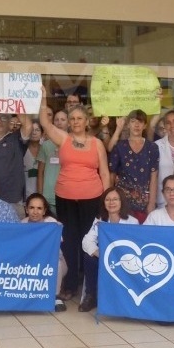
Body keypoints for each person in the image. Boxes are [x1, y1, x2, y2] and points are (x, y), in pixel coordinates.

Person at [40, 97, 110, 301]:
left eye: (80, 118)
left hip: (92, 198)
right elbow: (45, 123)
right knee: (69, 242)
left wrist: (105, 201)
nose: (76, 122)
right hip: (65, 198)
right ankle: (69, 285)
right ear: (69, 122)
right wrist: (44, 100)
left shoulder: (97, 144)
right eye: (73, 119)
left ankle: (91, 289)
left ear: (87, 121)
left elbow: (105, 173)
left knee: (89, 242)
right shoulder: (63, 138)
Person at [79, 187, 138, 312]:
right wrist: (99, 253)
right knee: (89, 258)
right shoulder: (100, 220)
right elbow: (86, 241)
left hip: (126, 261)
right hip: (104, 258)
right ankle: (91, 296)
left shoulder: (132, 222)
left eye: (115, 199)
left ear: (121, 202)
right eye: (108, 200)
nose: (111, 203)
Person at [106, 110, 159, 222]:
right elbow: (112, 174)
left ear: (145, 125)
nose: (136, 125)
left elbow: (154, 176)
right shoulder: (120, 146)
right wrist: (110, 199)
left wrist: (151, 203)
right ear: (128, 124)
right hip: (121, 202)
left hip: (143, 203)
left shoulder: (152, 147)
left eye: (140, 122)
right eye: (133, 121)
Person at [23, 193, 68, 312]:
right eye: (32, 208)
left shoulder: (52, 223)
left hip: (52, 262)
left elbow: (56, 246)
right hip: (30, 264)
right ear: (26, 210)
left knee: (56, 264)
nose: (35, 211)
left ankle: (55, 296)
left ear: (44, 211)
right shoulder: (22, 224)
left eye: (39, 208)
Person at [37, 108, 66, 211]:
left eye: (63, 120)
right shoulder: (45, 145)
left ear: (68, 123)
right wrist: (40, 195)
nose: (59, 122)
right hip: (48, 196)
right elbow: (40, 172)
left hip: (66, 195)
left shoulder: (73, 145)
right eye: (57, 119)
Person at [24, 121, 42, 199]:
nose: (34, 133)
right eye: (31, 130)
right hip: (24, 191)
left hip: (41, 191)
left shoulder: (45, 149)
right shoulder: (22, 149)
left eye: (37, 130)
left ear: (42, 133)